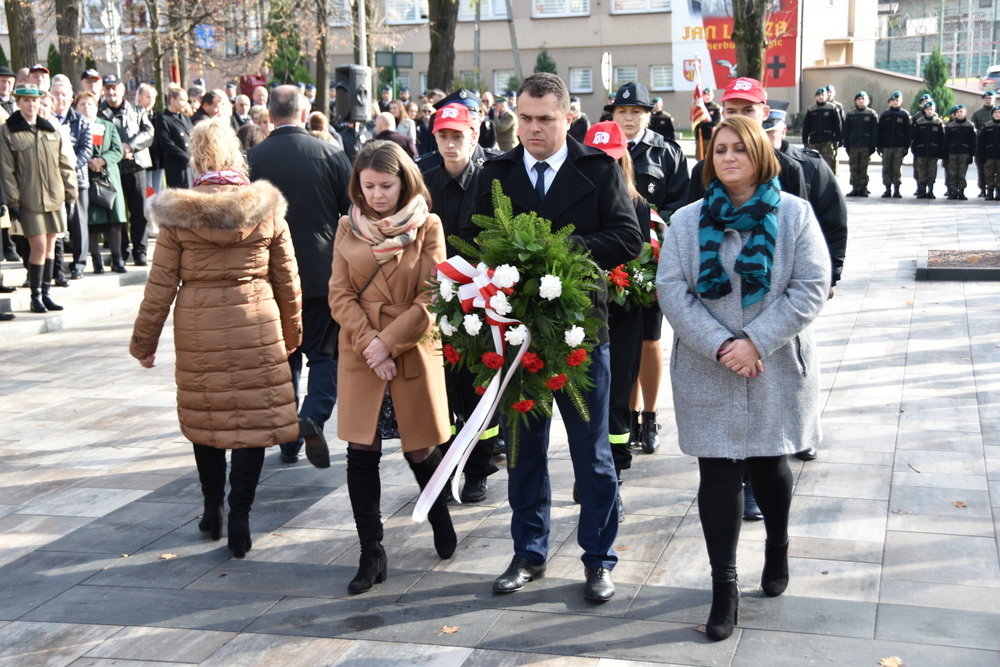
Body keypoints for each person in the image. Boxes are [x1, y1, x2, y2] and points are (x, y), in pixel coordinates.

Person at [463, 73, 643, 602]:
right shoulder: (495, 172)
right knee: (523, 450)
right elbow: (468, 237)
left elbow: (628, 237)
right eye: (524, 118)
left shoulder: (598, 169)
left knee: (592, 455)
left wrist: (556, 254)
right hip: (517, 332)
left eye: (545, 118)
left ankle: (599, 558)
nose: (533, 128)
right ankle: (529, 551)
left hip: (580, 331)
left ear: (569, 118)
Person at [657, 115, 830, 642]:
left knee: (769, 463)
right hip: (707, 367)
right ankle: (724, 587)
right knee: (717, 472)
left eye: (739, 148)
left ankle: (777, 546)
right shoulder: (686, 220)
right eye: (720, 149)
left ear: (760, 154)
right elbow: (672, 289)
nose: (728, 157)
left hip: (773, 363)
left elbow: (811, 286)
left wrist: (756, 341)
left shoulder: (795, 214)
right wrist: (720, 345)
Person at [130, 120, 304, 559]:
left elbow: (160, 285)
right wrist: (292, 332)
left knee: (206, 418)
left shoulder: (178, 214)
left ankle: (213, 509)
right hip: (256, 321)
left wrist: (144, 342)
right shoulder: (266, 207)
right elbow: (287, 278)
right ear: (236, 157)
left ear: (196, 159)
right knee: (252, 422)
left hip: (198, 324)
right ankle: (241, 516)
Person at [329, 140, 454, 593]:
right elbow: (339, 294)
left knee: (419, 448)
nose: (377, 195)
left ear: (404, 182)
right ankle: (371, 552)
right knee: (361, 450)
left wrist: (389, 342)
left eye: (385, 185)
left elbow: (434, 295)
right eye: (368, 186)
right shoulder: (348, 226)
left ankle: (438, 513)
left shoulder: (428, 225)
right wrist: (371, 344)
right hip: (362, 352)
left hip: (410, 345)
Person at [248, 85, 353, 464]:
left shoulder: (252, 160)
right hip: (324, 275)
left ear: (269, 115)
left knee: (283, 358)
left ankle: (288, 439)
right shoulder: (331, 153)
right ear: (305, 111)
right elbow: (352, 212)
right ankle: (313, 415)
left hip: (271, 278)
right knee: (326, 354)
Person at [417, 103, 503, 502]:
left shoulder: (491, 177)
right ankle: (449, 461)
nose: (450, 144)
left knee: (479, 385)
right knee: (444, 387)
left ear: (474, 135)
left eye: (457, 136)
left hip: (480, 296)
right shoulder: (423, 180)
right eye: (443, 136)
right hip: (435, 298)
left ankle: (478, 469)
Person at [606, 81, 690, 454]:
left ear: (648, 115)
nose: (628, 118)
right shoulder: (598, 148)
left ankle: (650, 416)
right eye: (622, 112)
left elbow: (682, 204)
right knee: (620, 344)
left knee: (649, 339)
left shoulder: (667, 152)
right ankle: (628, 414)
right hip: (612, 264)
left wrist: (656, 226)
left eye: (636, 112)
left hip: (653, 261)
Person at [582, 119, 650, 517]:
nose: (605, 164)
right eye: (598, 156)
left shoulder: (637, 204)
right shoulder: (578, 199)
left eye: (612, 157)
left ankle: (616, 472)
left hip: (623, 314)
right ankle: (589, 470)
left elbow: (640, 254)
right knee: (588, 399)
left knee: (618, 397)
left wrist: (624, 279)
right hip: (585, 313)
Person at [0, 83, 78, 313]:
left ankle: (46, 293)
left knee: (51, 246)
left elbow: (65, 164)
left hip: (54, 196)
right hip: (29, 199)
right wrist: (13, 201)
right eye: (26, 100)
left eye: (35, 100)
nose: (31, 105)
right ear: (18, 103)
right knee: (39, 246)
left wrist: (71, 195)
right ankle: (35, 296)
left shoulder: (50, 129)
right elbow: (6, 170)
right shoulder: (8, 130)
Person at [686, 78, 807, 205]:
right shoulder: (704, 170)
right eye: (732, 112)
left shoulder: (788, 169)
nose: (739, 118)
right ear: (723, 114)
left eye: (747, 111)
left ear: (765, 113)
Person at [99, 74, 154, 266]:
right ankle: (120, 252)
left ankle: (140, 252)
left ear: (122, 89)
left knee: (139, 212)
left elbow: (148, 132)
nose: (111, 91)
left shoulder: (137, 111)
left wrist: (129, 146)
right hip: (112, 169)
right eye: (107, 88)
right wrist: (116, 152)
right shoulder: (99, 113)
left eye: (114, 87)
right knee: (117, 213)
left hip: (136, 167)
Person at [76, 91, 127, 274]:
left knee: (114, 220)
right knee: (92, 222)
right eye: (82, 104)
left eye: (90, 104)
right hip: (86, 177)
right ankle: (96, 260)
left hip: (108, 177)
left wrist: (102, 160)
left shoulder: (107, 125)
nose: (86, 107)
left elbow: (117, 150)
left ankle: (117, 259)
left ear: (97, 107)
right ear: (76, 108)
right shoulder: (75, 126)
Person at [52, 80, 93, 280]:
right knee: (55, 224)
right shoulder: (45, 119)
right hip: (51, 180)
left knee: (78, 223)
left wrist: (68, 168)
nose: (60, 98)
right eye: (56, 94)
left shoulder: (81, 120)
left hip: (77, 179)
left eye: (64, 95)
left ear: (71, 99)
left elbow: (86, 149)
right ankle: (54, 267)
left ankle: (79, 264)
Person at [155, 86, 195, 189]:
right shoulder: (163, 118)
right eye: (182, 100)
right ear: (172, 100)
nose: (185, 104)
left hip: (190, 164)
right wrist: (186, 157)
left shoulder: (185, 117)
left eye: (186, 101)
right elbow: (167, 143)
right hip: (176, 165)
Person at [842, 91, 878, 197]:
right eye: (859, 99)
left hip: (866, 144)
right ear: (855, 101)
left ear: (868, 101)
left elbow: (875, 131)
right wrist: (846, 145)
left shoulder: (871, 114)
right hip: (853, 145)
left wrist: (873, 145)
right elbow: (846, 131)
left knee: (864, 167)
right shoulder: (851, 114)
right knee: (853, 166)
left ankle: (863, 187)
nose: (861, 101)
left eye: (863, 99)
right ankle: (854, 187)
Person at [877, 91, 911, 199]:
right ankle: (887, 189)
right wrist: (879, 146)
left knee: (897, 168)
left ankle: (897, 189)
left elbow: (908, 132)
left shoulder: (904, 115)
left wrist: (906, 147)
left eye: (897, 100)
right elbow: (880, 131)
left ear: (901, 101)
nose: (895, 102)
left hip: (898, 146)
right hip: (886, 146)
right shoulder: (885, 115)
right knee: (886, 167)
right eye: (893, 100)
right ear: (889, 102)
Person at [802, 87, 842, 175]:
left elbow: (838, 125)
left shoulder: (832, 108)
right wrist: (805, 141)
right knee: (814, 164)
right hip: (814, 141)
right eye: (818, 95)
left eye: (822, 94)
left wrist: (837, 139)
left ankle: (828, 182)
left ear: (826, 95)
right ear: (816, 97)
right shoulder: (811, 109)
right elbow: (806, 126)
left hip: (828, 141)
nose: (820, 97)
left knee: (828, 164)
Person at [912, 100, 945, 199]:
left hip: (933, 151)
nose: (929, 111)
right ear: (924, 110)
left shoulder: (938, 122)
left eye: (931, 109)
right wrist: (914, 150)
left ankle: (930, 190)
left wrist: (940, 151)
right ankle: (922, 190)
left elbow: (941, 138)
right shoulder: (919, 122)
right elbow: (915, 138)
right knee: (921, 172)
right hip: (921, 151)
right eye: (927, 109)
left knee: (932, 172)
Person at [943, 104, 976, 200]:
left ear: (965, 113)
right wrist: (945, 155)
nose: (959, 113)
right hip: (952, 153)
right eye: (957, 112)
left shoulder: (970, 125)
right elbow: (946, 141)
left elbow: (973, 141)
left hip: (964, 153)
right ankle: (953, 191)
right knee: (952, 173)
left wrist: (971, 155)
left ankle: (961, 191)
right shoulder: (950, 126)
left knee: (962, 173)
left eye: (961, 111)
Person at [971, 91, 995, 197]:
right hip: (982, 147)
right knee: (982, 170)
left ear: (994, 99)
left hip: (996, 147)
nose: (988, 100)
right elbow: (973, 131)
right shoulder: (977, 114)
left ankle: (995, 190)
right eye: (986, 98)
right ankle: (982, 189)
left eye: (990, 98)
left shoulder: (998, 112)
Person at [976, 106, 1000, 200]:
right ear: (992, 114)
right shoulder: (987, 126)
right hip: (989, 155)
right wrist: (982, 155)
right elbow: (981, 142)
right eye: (995, 113)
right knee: (988, 174)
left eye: (999, 112)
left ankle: (998, 192)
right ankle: (989, 192)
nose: (997, 114)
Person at [697, 88, 722, 160]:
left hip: (710, 136)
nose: (707, 97)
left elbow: (716, 122)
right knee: (699, 157)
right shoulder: (699, 107)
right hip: (700, 136)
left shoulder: (716, 107)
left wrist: (704, 124)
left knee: (711, 157)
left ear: (712, 96)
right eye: (705, 95)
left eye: (709, 95)